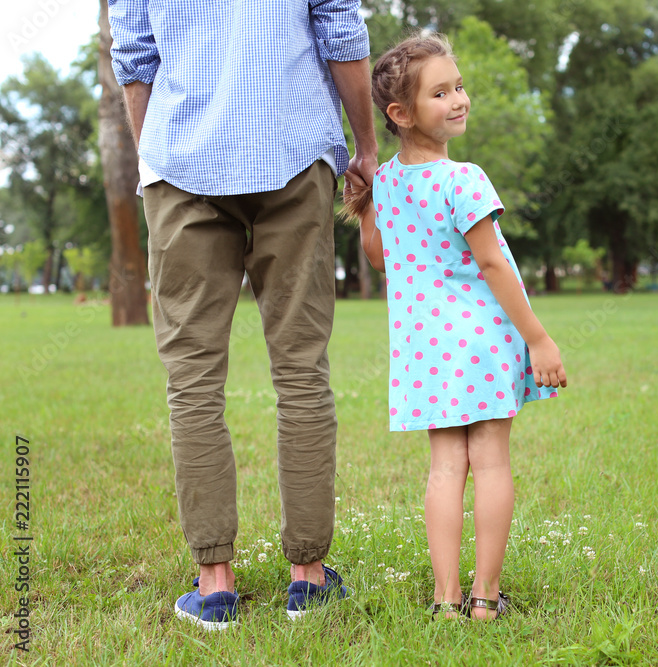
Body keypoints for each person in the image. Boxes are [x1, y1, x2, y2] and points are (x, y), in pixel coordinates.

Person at [108, 0, 377, 629]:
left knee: (193, 383)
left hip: (181, 162)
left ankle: (214, 585)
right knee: (302, 370)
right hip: (292, 146)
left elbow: (136, 56)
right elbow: (339, 25)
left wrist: (155, 162)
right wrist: (365, 144)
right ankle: (307, 580)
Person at [342, 34, 568, 620]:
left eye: (459, 86)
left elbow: (379, 257)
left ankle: (445, 601)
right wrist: (539, 338)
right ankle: (484, 600)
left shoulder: (386, 183)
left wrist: (363, 203)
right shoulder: (463, 178)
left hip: (424, 348)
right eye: (440, 93)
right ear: (400, 113)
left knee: (445, 468)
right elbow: (492, 263)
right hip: (480, 341)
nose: (459, 99)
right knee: (490, 462)